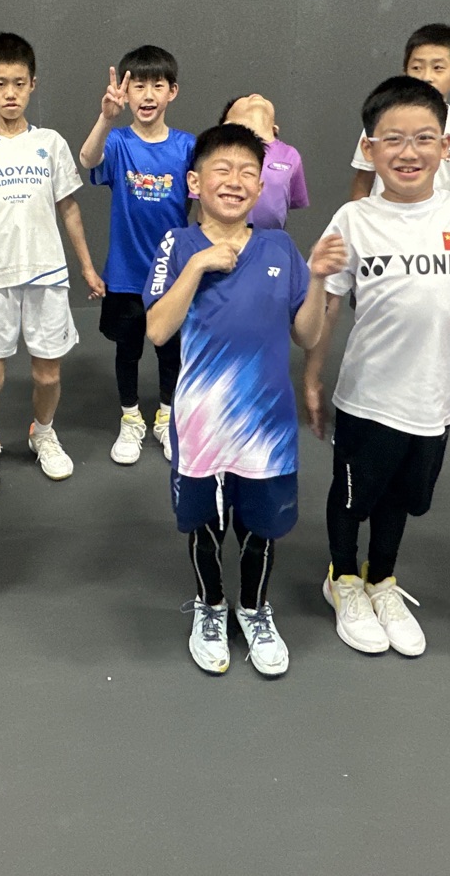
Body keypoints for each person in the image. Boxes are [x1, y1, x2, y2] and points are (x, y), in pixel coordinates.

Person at [303, 75, 450, 658]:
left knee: (401, 497)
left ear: (446, 147)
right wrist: (312, 378)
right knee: (353, 496)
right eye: (392, 139)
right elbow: (329, 304)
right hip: (368, 396)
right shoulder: (353, 220)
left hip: (433, 395)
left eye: (424, 138)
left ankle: (382, 580)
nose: (408, 152)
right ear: (368, 149)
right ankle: (343, 578)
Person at [145, 124, 347, 676]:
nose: (235, 181)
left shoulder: (280, 247)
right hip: (201, 427)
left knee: (260, 528)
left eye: (248, 173)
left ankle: (255, 610)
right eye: (222, 169)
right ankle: (210, 607)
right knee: (205, 526)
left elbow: (306, 335)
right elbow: (158, 330)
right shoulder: (177, 245)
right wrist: (198, 266)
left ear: (261, 189)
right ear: (194, 182)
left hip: (267, 428)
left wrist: (319, 279)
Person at [0, 33, 105, 495]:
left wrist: (87, 267)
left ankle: (43, 432)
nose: (10, 93)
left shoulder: (50, 144)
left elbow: (69, 208)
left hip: (46, 275)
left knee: (47, 373)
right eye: (1, 83)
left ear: (33, 84)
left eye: (19, 83)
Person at [78, 46, 195, 466]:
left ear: (172, 92)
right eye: (138, 86)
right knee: (127, 350)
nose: (147, 95)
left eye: (157, 86)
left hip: (173, 276)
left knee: (171, 351)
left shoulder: (187, 146)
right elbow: (87, 159)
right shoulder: (118, 142)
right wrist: (105, 118)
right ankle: (130, 419)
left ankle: (165, 417)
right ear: (125, 94)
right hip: (126, 275)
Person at [349, 24, 450, 201]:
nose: (426, 77)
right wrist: (358, 215)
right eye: (416, 68)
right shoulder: (382, 122)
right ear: (405, 73)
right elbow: (363, 180)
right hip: (385, 214)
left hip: (440, 217)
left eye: (438, 68)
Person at [219, 93, 309, 231]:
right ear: (227, 125)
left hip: (272, 239)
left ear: (275, 129)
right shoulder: (215, 151)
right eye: (244, 99)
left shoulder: (290, 154)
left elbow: (289, 202)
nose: (256, 96)